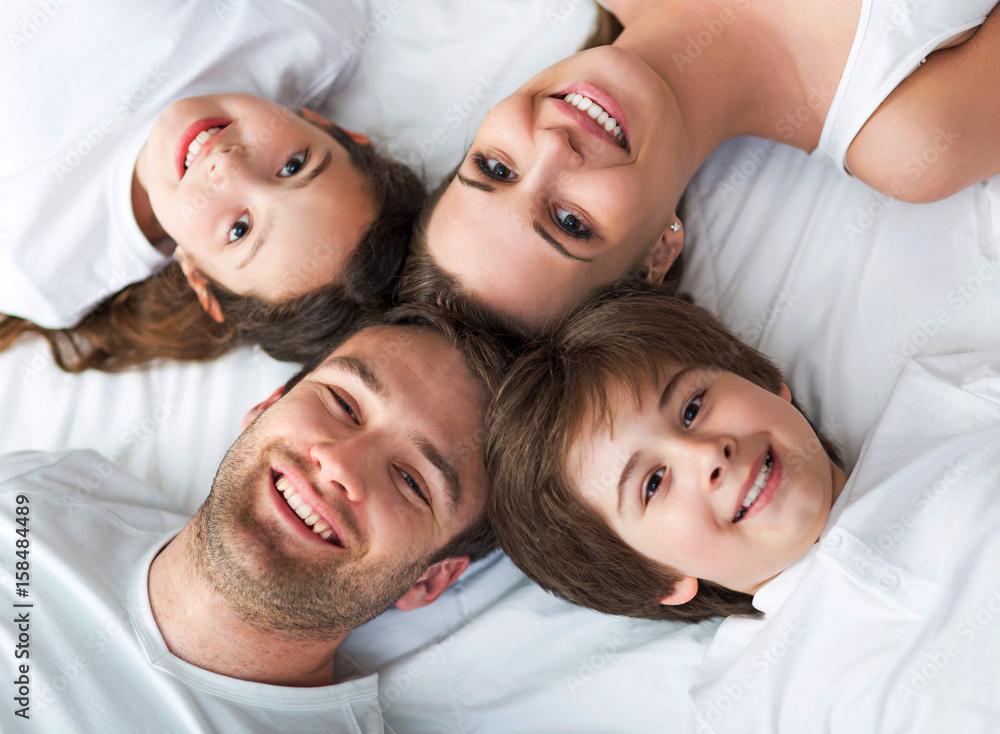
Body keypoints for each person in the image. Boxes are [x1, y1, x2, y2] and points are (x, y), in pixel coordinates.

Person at [486, 288, 1000, 731]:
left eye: (692, 408)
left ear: (762, 380)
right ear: (659, 579)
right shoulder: (754, 706)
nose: (708, 454)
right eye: (654, 483)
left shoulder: (955, 404)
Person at [0, 306, 507, 732]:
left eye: (412, 482)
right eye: (343, 404)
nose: (339, 464)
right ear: (267, 405)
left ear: (428, 579)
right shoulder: (41, 491)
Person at [408, 0, 999, 333]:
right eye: (569, 222)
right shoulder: (909, 137)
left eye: (496, 168)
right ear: (656, 255)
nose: (554, 151)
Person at [0, 0, 424, 371]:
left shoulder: (36, 265)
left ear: (198, 277)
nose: (228, 165)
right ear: (324, 125)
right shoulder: (304, 29)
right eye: (294, 165)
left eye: (240, 230)